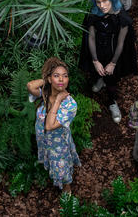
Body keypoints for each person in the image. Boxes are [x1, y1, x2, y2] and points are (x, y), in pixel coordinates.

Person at [79, 0, 138, 123]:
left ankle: (112, 102)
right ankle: (100, 80)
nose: (102, 5)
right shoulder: (93, 15)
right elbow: (91, 37)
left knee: (111, 78)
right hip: (98, 51)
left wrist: (112, 63)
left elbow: (121, 43)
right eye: (98, 2)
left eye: (105, 1)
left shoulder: (122, 17)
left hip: (113, 54)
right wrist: (95, 60)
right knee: (97, 71)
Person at [27, 57, 80, 193]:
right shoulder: (45, 93)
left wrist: (57, 101)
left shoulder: (70, 105)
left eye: (65, 76)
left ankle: (67, 188)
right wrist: (46, 80)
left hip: (58, 145)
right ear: (50, 79)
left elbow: (50, 126)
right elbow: (30, 86)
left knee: (62, 170)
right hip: (44, 141)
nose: (61, 79)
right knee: (50, 163)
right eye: (57, 76)